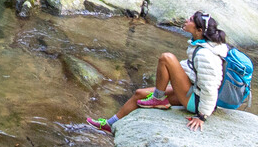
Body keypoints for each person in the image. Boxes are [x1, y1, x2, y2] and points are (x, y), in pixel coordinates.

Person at [89, 11, 247, 133]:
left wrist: (202, 116)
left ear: (199, 30)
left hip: (197, 102)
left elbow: (211, 87)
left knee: (166, 58)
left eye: (191, 20)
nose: (187, 20)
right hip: (193, 92)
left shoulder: (206, 55)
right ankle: (109, 125)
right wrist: (173, 75)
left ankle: (158, 99)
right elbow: (190, 68)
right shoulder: (202, 46)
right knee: (139, 94)